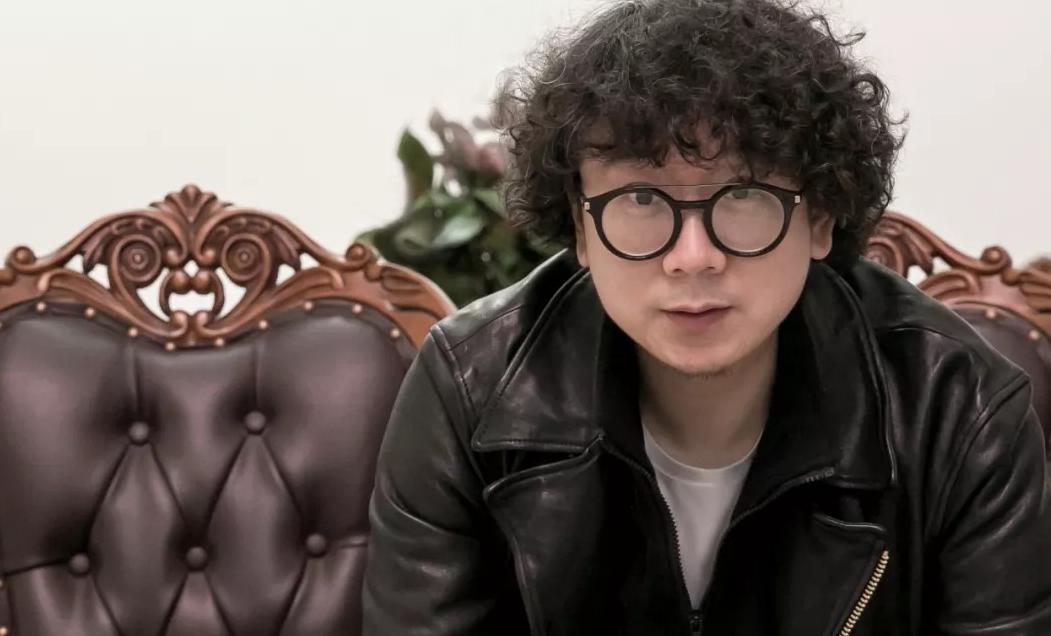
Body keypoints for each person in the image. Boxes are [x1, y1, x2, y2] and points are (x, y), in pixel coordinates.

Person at [362, 0, 1051, 633]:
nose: (693, 258)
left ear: (819, 217)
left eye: (743, 195)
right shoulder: (469, 388)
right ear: (579, 226)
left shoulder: (958, 409)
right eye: (640, 199)